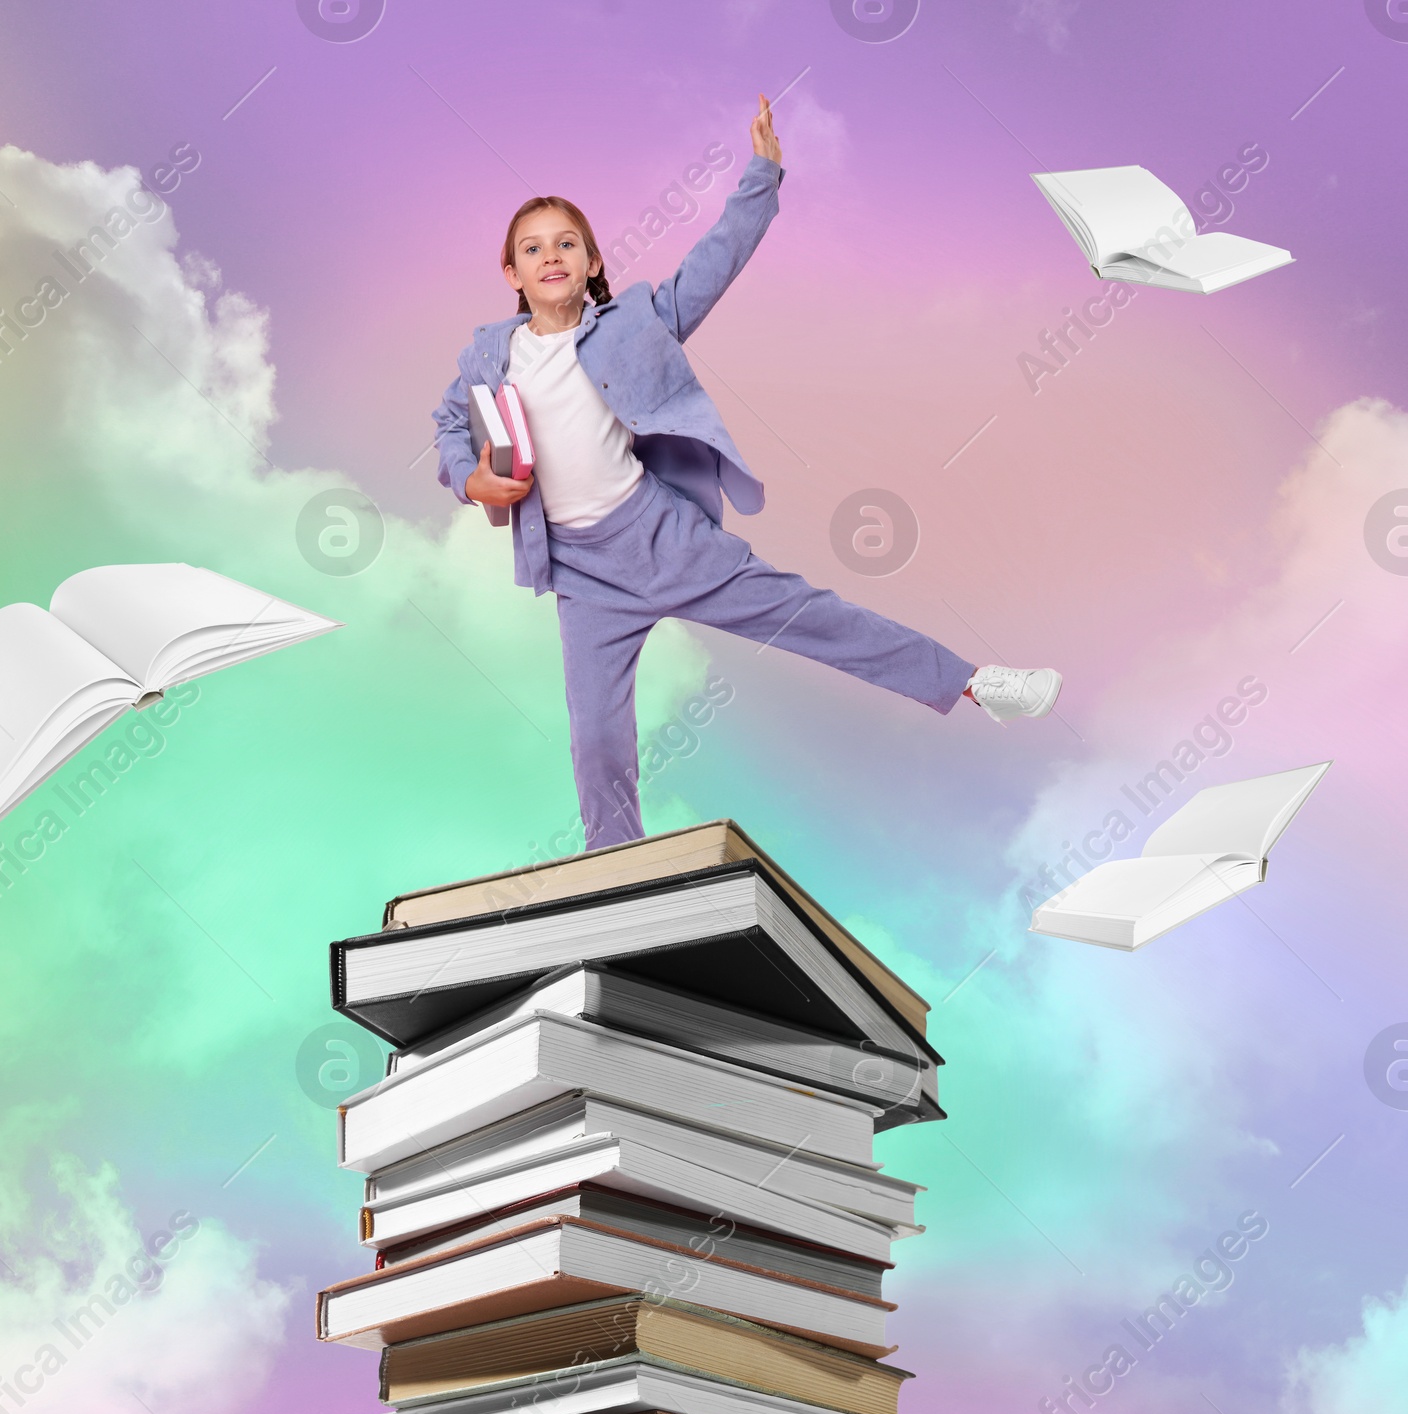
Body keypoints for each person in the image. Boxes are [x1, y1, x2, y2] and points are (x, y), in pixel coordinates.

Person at [433, 95, 1062, 850]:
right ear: (510, 271)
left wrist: (763, 173)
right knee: (596, 741)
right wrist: (471, 480)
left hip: (664, 538)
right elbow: (446, 425)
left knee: (816, 618)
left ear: (594, 262)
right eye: (533, 249)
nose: (552, 256)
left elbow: (712, 264)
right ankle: (613, 868)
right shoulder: (488, 356)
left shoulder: (636, 322)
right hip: (580, 574)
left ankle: (973, 682)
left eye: (568, 243)